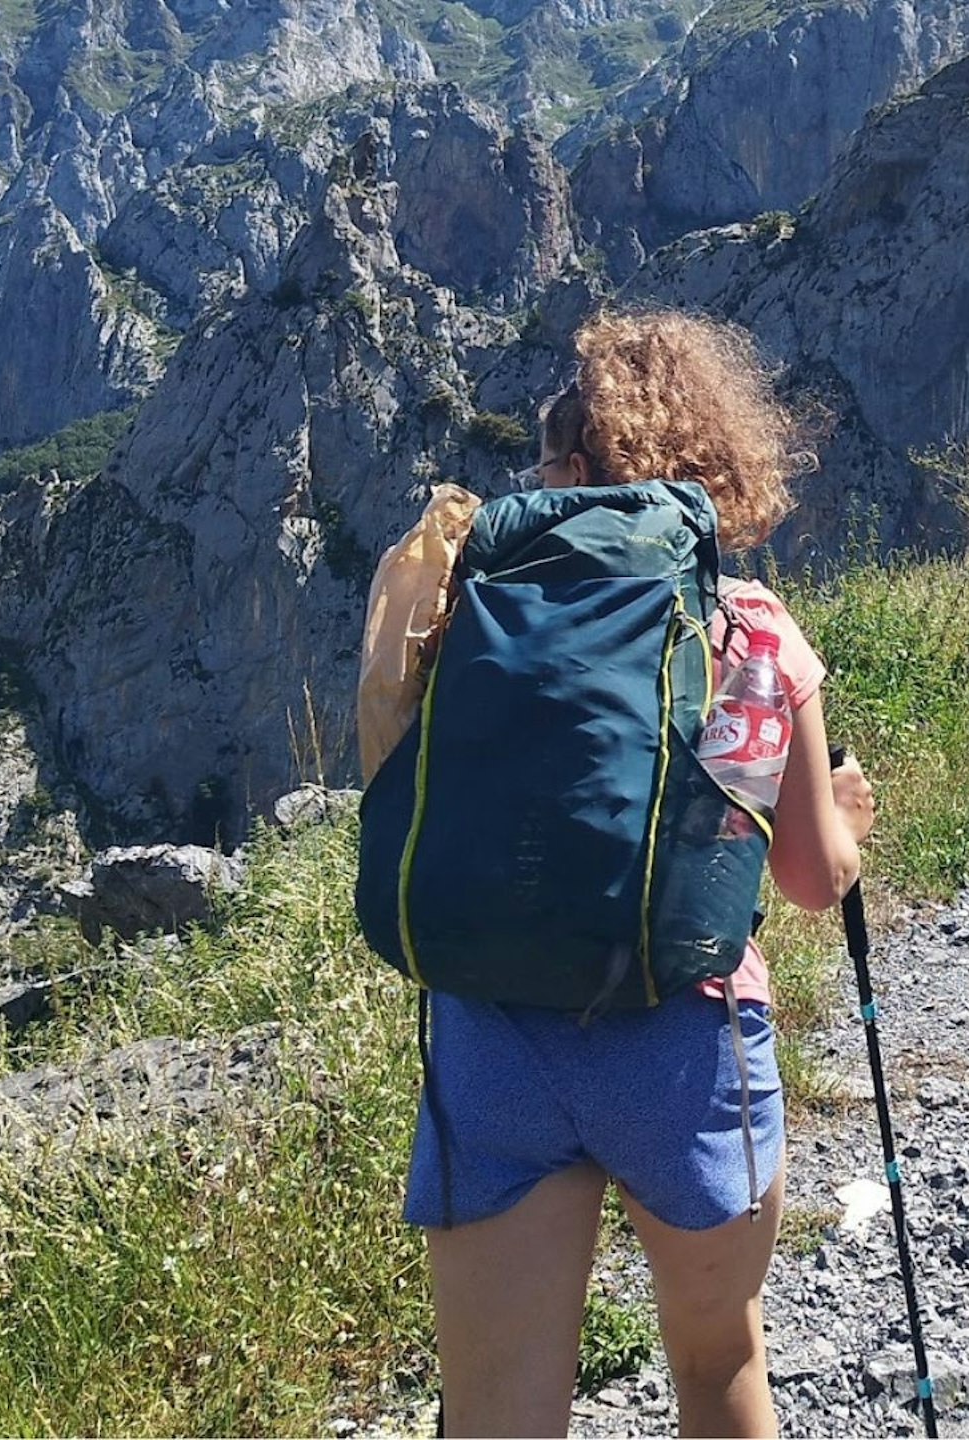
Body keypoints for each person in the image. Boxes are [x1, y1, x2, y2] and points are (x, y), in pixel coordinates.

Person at [398, 308, 876, 1438]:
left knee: (498, 1416)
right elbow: (814, 878)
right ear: (717, 464)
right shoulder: (754, 625)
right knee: (717, 1366)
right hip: (687, 1039)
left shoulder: (472, 615)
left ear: (561, 467)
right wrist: (845, 816)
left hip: (496, 1041)